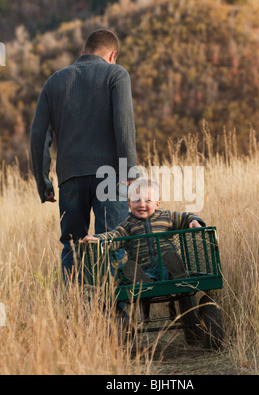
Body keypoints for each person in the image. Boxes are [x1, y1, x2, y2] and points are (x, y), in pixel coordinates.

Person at [30, 29, 137, 283]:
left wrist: (43, 182)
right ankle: (116, 315)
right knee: (113, 243)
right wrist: (129, 172)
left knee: (73, 247)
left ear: (83, 52)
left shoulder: (54, 81)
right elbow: (124, 127)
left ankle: (75, 311)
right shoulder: (116, 73)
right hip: (111, 176)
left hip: (69, 177)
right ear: (113, 55)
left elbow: (38, 137)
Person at [83, 178, 206, 284]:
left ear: (157, 204)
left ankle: (177, 274)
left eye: (147, 200)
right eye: (136, 200)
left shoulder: (166, 217)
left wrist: (194, 221)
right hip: (144, 268)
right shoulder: (128, 224)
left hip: (166, 265)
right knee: (131, 269)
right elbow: (114, 236)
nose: (141, 204)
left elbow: (185, 217)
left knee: (170, 261)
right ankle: (145, 281)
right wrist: (98, 238)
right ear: (130, 204)